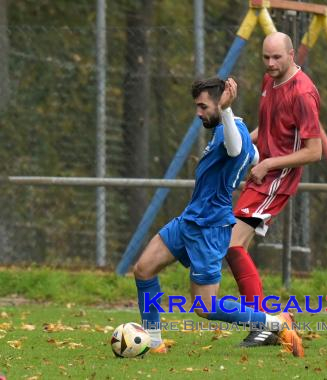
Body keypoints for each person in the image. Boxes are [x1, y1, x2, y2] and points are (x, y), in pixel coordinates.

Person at [132, 77, 304, 357]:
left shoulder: (231, 129)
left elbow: (236, 149)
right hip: (190, 220)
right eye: (196, 106)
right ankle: (153, 343)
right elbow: (250, 154)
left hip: (210, 228)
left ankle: (275, 322)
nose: (198, 112)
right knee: (144, 269)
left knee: (206, 307)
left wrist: (225, 110)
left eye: (203, 106)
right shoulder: (231, 131)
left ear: (220, 101)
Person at [224, 32, 322, 347]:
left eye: (277, 57)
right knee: (235, 245)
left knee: (231, 243)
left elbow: (314, 151)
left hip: (277, 179)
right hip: (262, 174)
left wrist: (270, 164)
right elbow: (265, 130)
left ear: (292, 54)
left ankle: (263, 324)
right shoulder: (270, 81)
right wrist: (239, 145)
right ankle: (274, 320)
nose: (270, 64)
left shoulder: (303, 93)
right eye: (266, 57)